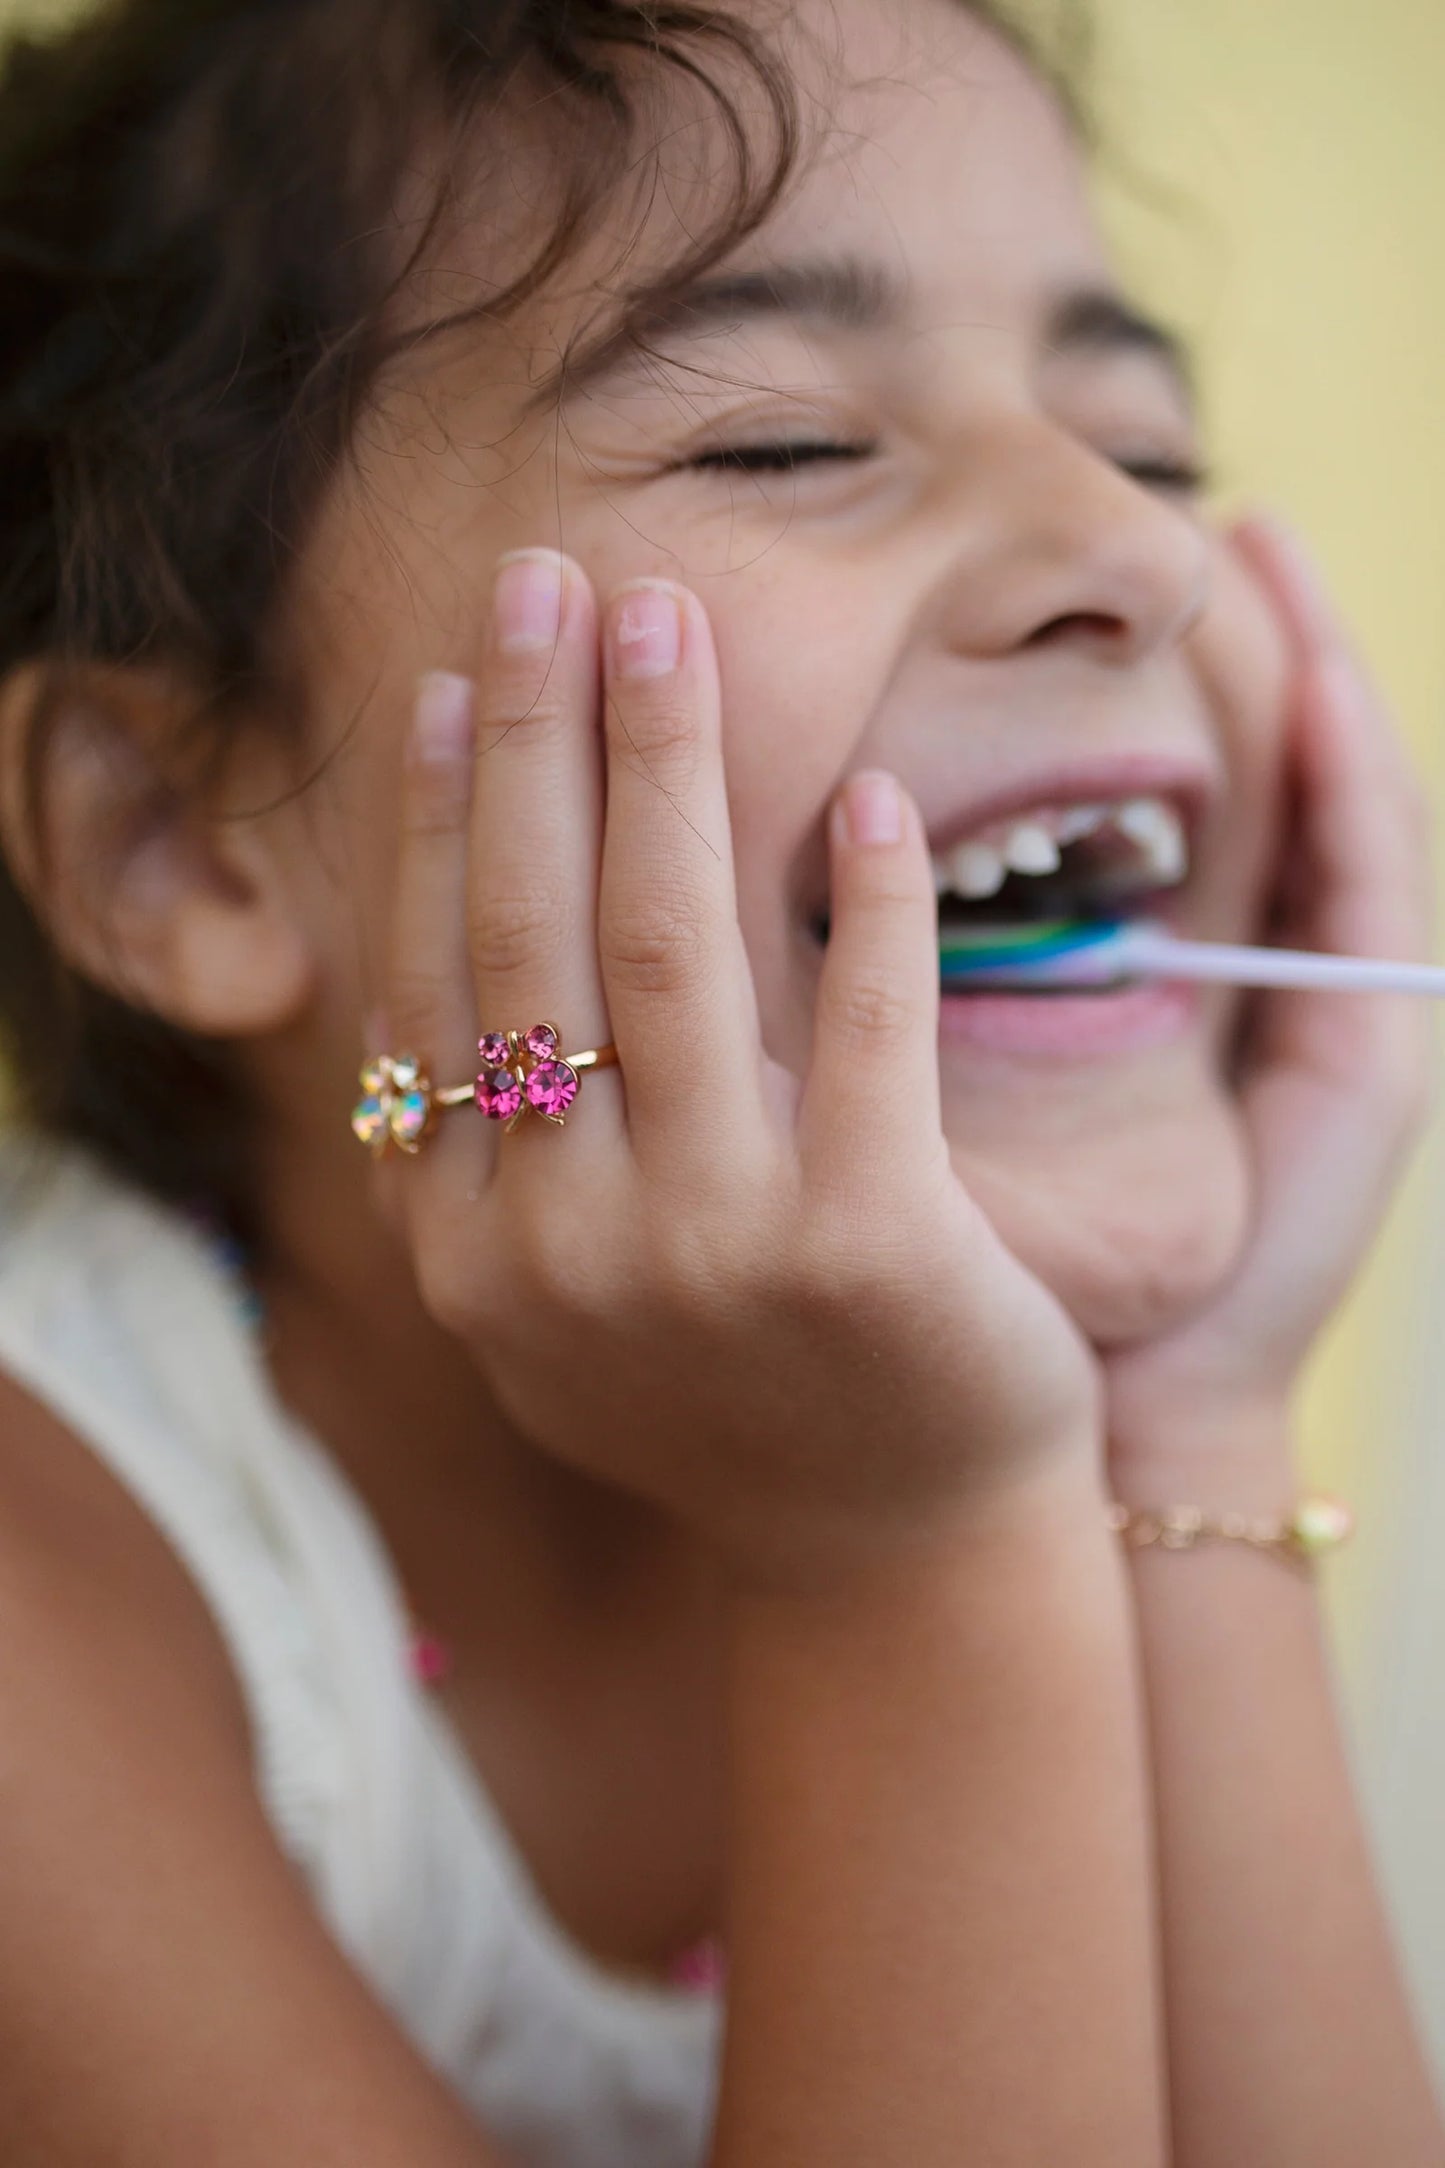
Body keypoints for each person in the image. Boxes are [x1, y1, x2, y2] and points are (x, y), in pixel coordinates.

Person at [0, 0, 1438, 2161]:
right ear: (179, 843)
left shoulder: (1066, 1393)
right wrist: (903, 1555)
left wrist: (1201, 1401)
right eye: (785, 442)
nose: (1138, 554)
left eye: (1146, 448)